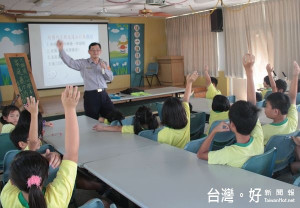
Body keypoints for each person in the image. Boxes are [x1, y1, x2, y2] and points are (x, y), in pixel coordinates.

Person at [0, 86, 80, 208]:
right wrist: (70, 108)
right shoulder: (56, 198)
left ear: (12, 181)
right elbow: (71, 153)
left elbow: (32, 145)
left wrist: (34, 114)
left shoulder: (6, 197)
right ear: (47, 175)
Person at [197, 53, 264, 168]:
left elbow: (201, 154)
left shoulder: (229, 153)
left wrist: (213, 132)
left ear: (232, 125)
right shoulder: (258, 138)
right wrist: (249, 72)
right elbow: (252, 104)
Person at [57, 40, 114, 120]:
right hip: (91, 95)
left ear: (100, 51)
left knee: (112, 115)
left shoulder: (104, 63)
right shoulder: (83, 63)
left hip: (104, 94)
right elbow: (70, 62)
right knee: (92, 119)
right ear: (89, 52)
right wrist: (61, 50)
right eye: (93, 50)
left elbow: (110, 78)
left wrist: (104, 69)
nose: (95, 52)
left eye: (97, 50)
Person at [157, 71, 198, 149]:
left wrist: (189, 82)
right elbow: (186, 99)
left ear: (165, 114)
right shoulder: (187, 119)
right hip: (186, 156)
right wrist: (189, 83)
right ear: (181, 110)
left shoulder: (163, 134)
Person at [262, 61, 299, 145]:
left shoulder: (264, 130)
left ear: (275, 111)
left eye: (266, 106)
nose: (264, 109)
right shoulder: (292, 122)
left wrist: (269, 72)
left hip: (270, 158)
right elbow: (293, 98)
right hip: (287, 157)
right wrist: (295, 75)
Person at [93, 106, 158, 135]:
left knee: (115, 121)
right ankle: (105, 120)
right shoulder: (155, 125)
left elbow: (118, 128)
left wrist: (102, 128)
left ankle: (105, 120)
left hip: (117, 122)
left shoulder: (134, 128)